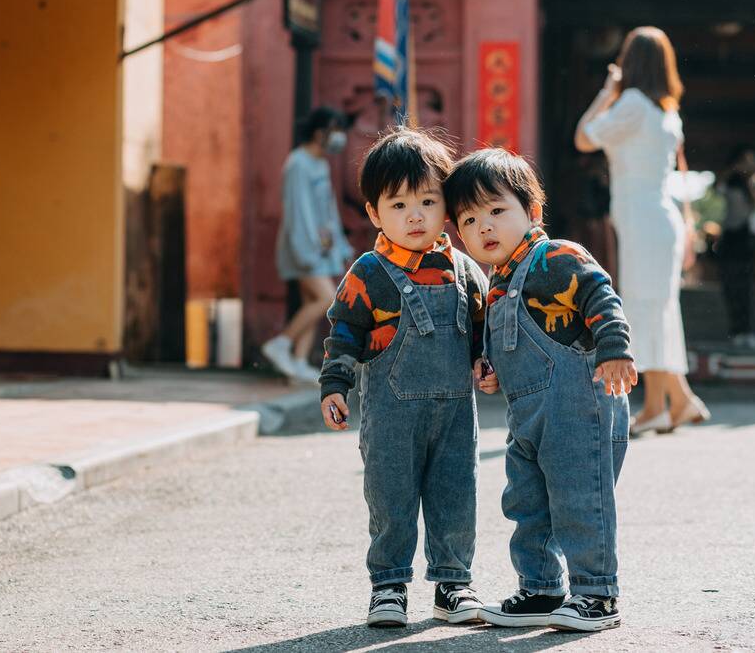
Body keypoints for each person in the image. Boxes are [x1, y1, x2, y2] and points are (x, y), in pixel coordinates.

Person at [443, 148, 636, 633]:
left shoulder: (557, 257)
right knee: (527, 504)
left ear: (532, 213)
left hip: (580, 410)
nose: (483, 226)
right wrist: (491, 371)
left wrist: (614, 347)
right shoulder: (495, 283)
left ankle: (596, 593)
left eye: (496, 211)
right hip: (526, 420)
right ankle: (541, 588)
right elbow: (506, 344)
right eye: (468, 220)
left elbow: (600, 295)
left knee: (579, 500)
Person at [317, 127, 490, 628]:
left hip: (457, 415)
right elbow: (344, 331)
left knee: (456, 495)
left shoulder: (464, 270)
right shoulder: (368, 273)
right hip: (391, 417)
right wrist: (335, 385)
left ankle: (453, 584)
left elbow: (484, 328)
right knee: (391, 497)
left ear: (447, 207)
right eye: (398, 205)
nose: (414, 216)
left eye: (427, 201)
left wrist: (488, 363)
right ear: (374, 213)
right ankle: (388, 586)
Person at [574, 26, 709, 435]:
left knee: (644, 307)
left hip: (641, 216)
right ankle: (663, 405)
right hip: (661, 216)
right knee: (658, 308)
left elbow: (583, 138)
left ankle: (678, 400)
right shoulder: (667, 111)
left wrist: (607, 90)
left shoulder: (630, 103)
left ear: (630, 64)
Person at [262, 107, 356, 382]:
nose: (339, 137)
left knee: (311, 301)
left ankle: (298, 362)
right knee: (327, 299)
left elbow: (328, 210)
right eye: (334, 130)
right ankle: (280, 344)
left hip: (321, 248)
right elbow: (298, 211)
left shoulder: (321, 164)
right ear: (319, 132)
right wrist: (308, 248)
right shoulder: (298, 163)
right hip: (303, 247)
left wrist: (338, 245)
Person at [717, 146, 755, 348]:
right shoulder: (730, 183)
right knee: (733, 285)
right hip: (732, 239)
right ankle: (738, 329)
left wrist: (749, 177)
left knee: (753, 287)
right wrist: (734, 170)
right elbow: (718, 186)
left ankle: (754, 330)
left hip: (752, 239)